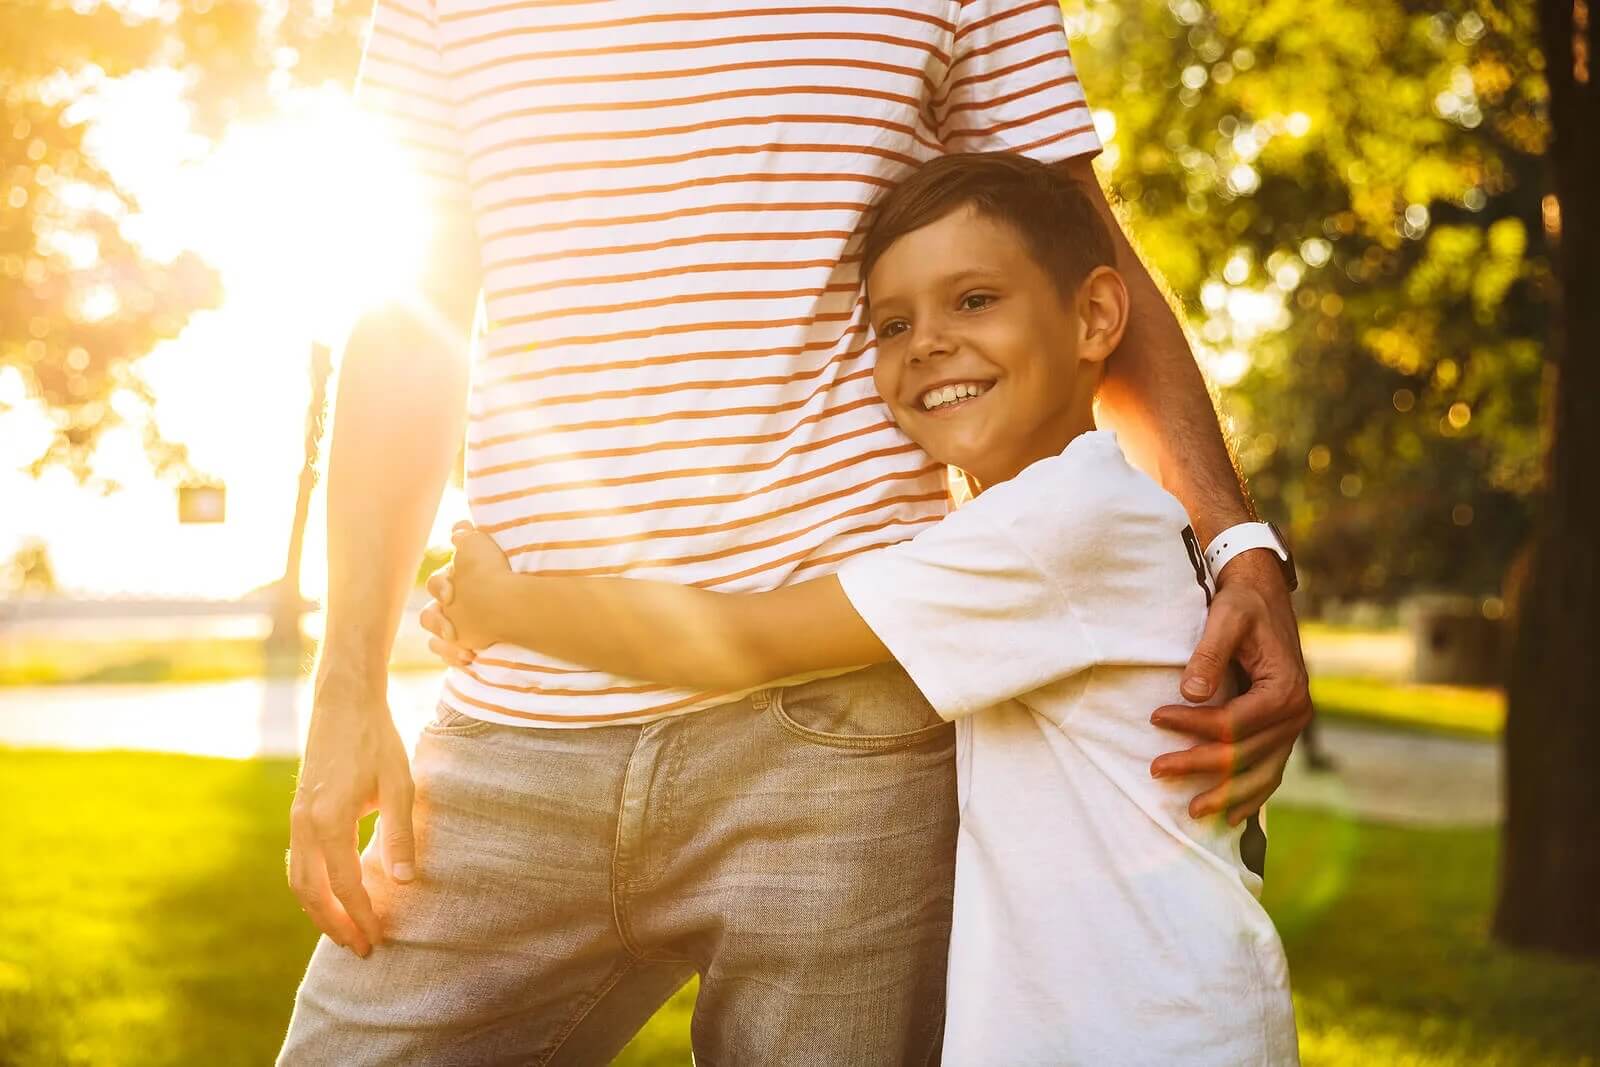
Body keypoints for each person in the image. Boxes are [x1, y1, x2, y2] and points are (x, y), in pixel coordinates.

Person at [280, 3, 1313, 1063]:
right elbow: (407, 308)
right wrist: (347, 678)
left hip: (844, 737)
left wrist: (1235, 543)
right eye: (894, 323)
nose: (926, 343)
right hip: (520, 723)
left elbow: (1074, 239)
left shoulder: (1052, 531)